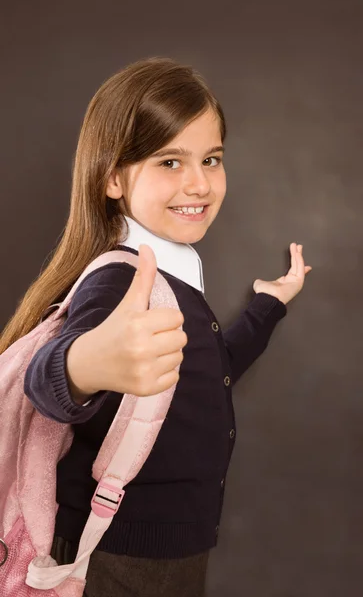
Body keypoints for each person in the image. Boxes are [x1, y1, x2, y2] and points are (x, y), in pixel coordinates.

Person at [0, 57, 311, 596]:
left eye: (211, 159)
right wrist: (83, 366)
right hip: (117, 560)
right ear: (113, 177)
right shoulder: (124, 280)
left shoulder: (176, 274)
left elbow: (208, 371)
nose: (199, 183)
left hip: (170, 551)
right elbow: (48, 378)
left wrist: (268, 306)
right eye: (170, 162)